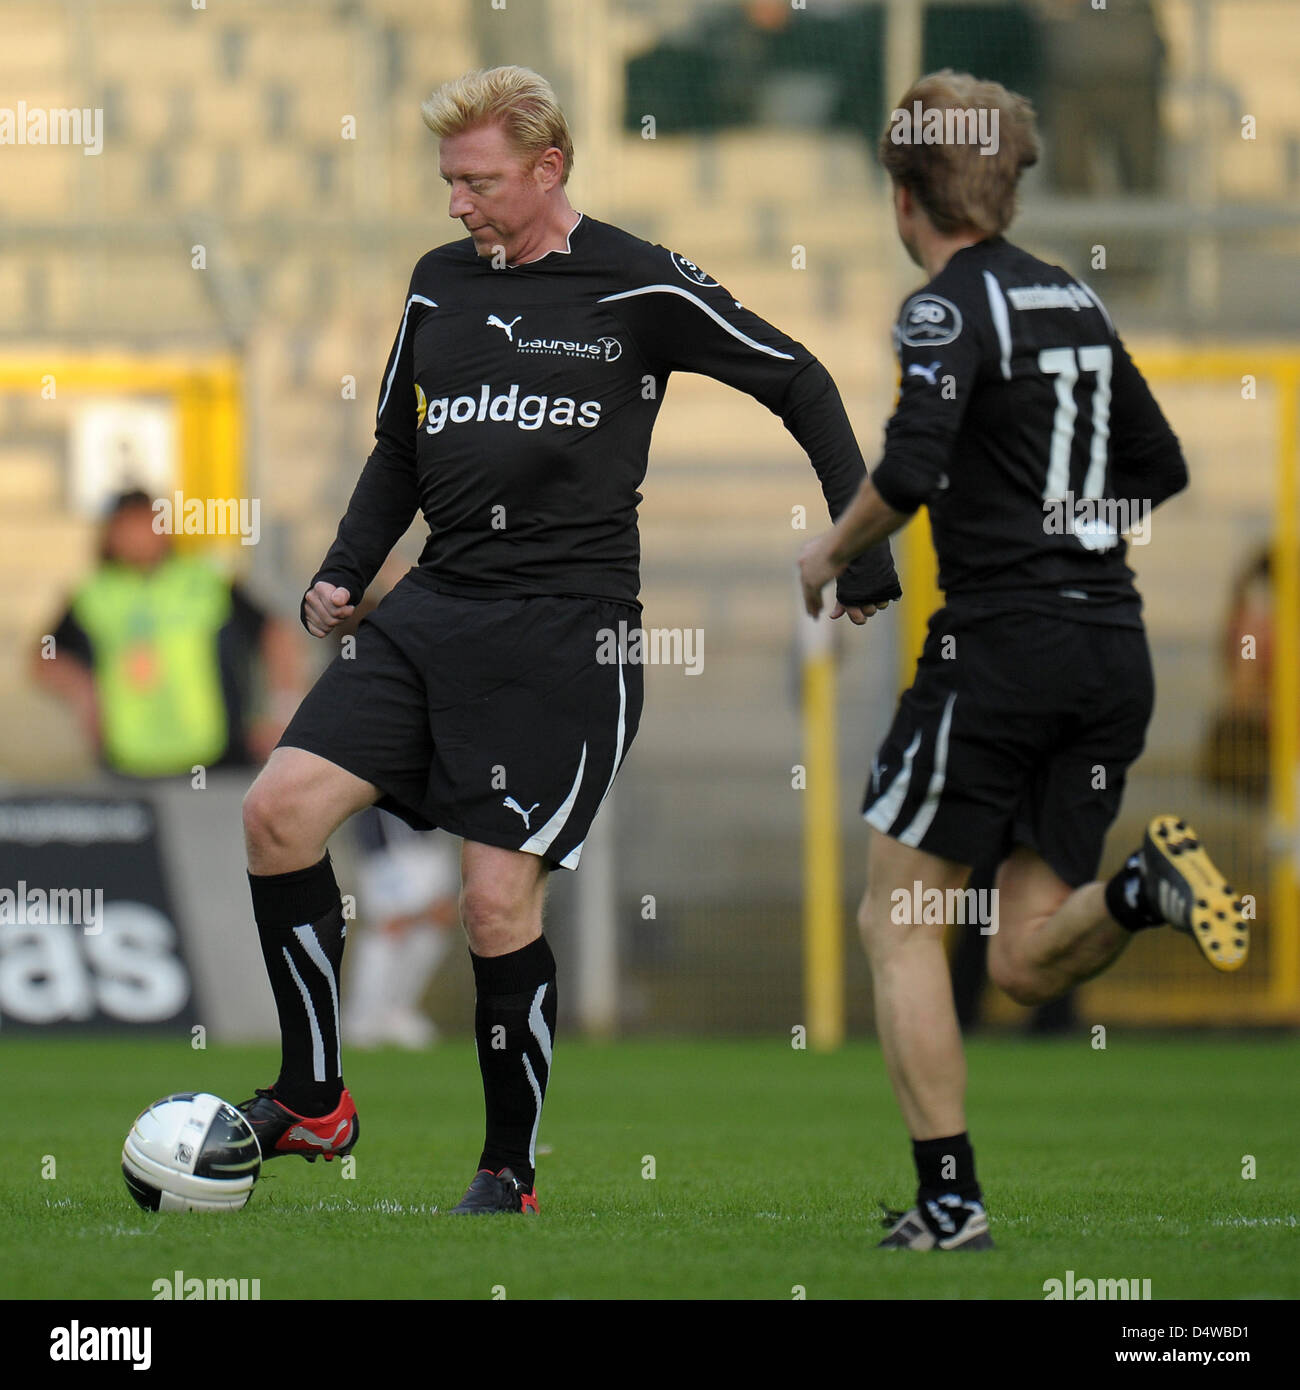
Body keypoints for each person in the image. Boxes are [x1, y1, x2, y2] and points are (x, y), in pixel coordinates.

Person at [236, 65, 901, 1214]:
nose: (456, 205)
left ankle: (507, 1169)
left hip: (565, 634)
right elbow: (399, 443)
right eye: (447, 181)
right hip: (433, 608)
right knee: (275, 813)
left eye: (478, 182)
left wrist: (861, 547)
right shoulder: (438, 284)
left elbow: (801, 380)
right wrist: (348, 568)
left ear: (549, 170)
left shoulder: (636, 282)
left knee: (494, 902)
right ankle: (313, 1097)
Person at [799, 70, 1247, 1251]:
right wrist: (1060, 519)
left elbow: (906, 469)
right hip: (1111, 649)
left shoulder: (945, 306)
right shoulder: (1074, 300)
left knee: (897, 920)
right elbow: (1162, 462)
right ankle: (1143, 892)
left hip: (1002, 648)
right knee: (1021, 960)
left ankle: (949, 1203)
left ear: (905, 195)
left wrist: (827, 552)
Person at [33, 488, 301, 777]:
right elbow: (45, 655)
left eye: (146, 523)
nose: (138, 535)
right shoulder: (94, 593)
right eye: (128, 525)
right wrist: (82, 690)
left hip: (216, 757)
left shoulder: (205, 581)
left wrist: (282, 715)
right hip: (129, 761)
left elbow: (275, 634)